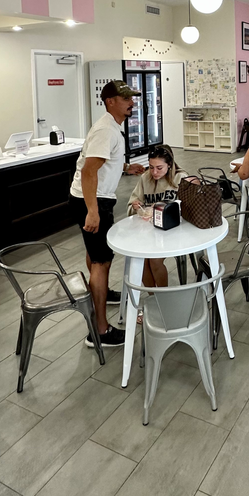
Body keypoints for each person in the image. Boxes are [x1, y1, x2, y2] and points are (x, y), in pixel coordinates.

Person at [69, 80, 146, 347]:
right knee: (101, 261)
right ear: (110, 101)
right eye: (126, 99)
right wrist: (93, 211)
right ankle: (100, 332)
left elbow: (101, 161)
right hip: (93, 200)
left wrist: (125, 167)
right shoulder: (106, 130)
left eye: (132, 98)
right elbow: (88, 171)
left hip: (92, 197)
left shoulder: (111, 127)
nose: (131, 103)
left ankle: (101, 292)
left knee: (96, 254)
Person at [127, 144, 186, 287]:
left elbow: (187, 209)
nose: (154, 172)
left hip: (173, 231)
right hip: (149, 231)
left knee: (154, 260)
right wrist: (136, 207)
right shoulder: (145, 178)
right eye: (151, 167)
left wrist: (164, 208)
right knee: (139, 260)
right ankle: (153, 295)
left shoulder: (181, 178)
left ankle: (162, 296)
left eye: (159, 168)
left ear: (169, 165)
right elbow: (131, 206)